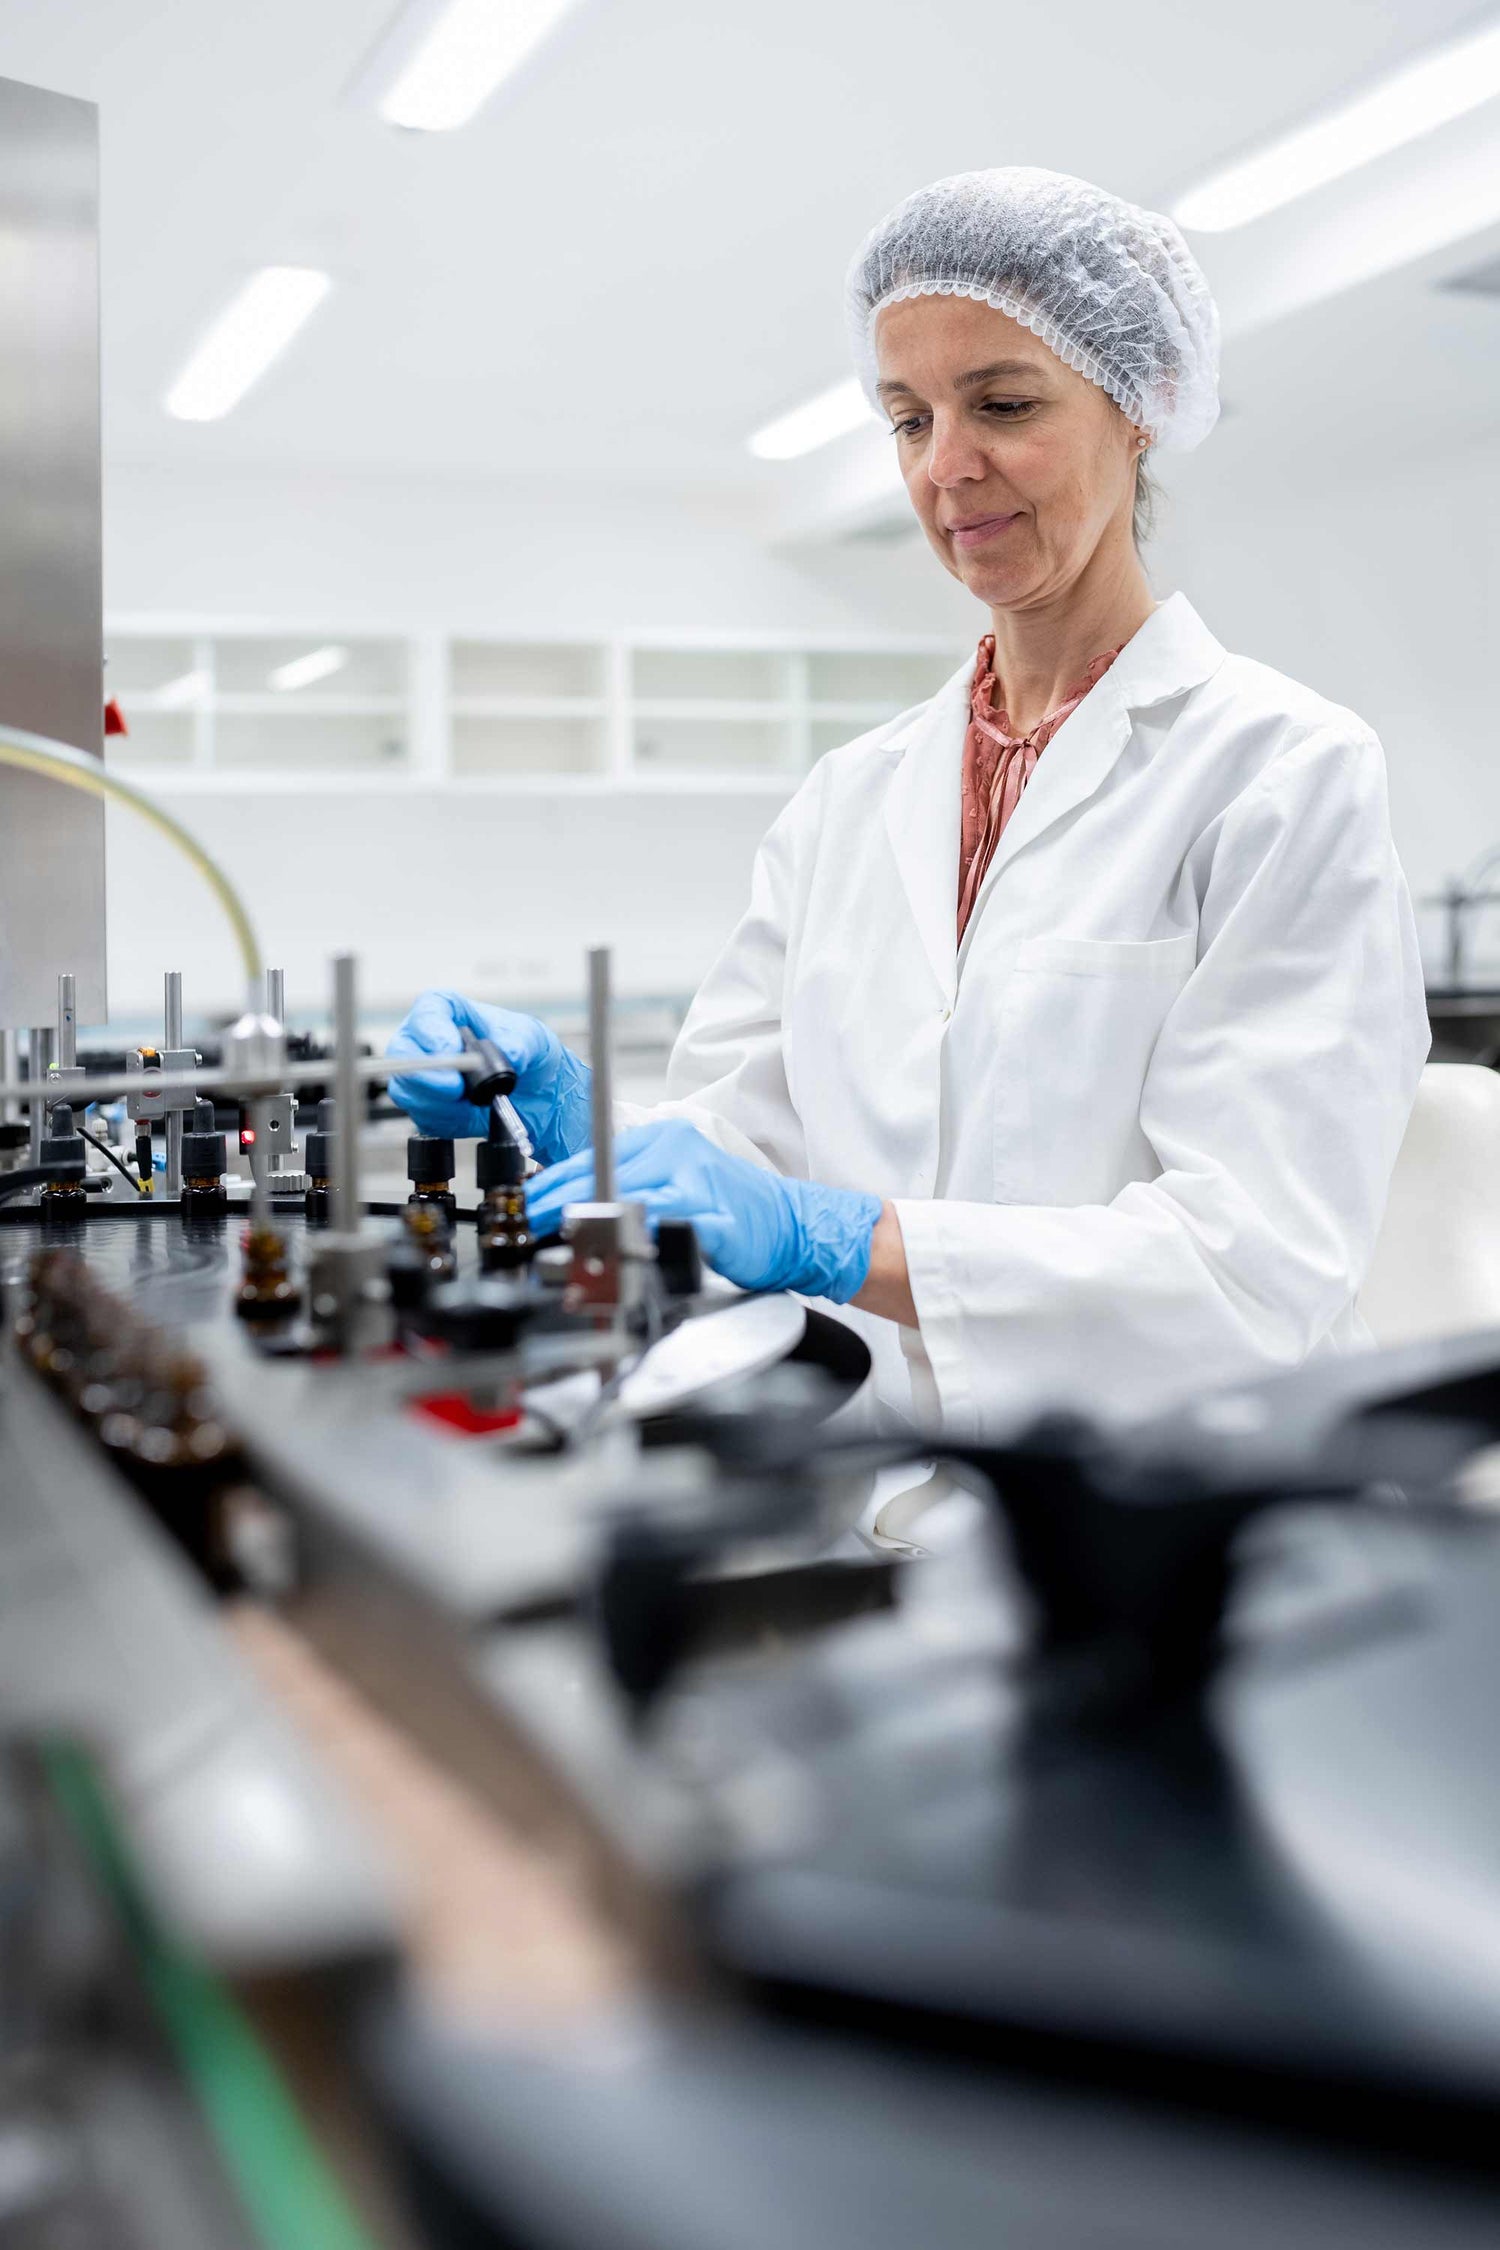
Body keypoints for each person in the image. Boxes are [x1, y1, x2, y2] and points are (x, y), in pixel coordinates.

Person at [389, 166, 1428, 1444]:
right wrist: (554, 1108)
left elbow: (1251, 1266)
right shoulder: (854, 796)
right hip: (876, 1474)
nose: (948, 467)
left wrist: (845, 1239)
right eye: (906, 418)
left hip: (1174, 1507)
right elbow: (740, 1149)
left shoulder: (1282, 769)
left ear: (1140, 407)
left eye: (1001, 403)